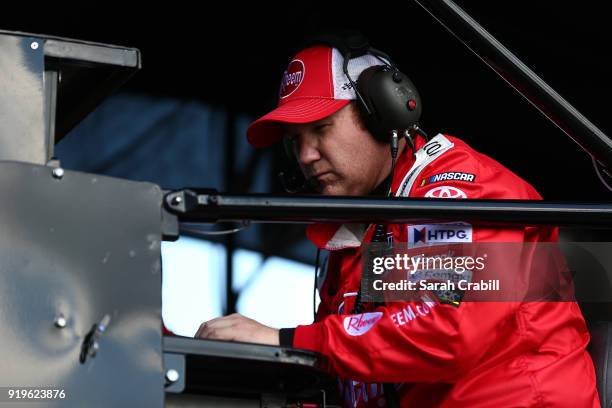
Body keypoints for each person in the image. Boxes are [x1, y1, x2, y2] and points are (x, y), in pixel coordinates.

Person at [195, 35, 599, 407]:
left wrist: (285, 340)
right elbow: (346, 370)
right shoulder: (358, 230)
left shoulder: (458, 191)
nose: (305, 156)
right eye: (294, 141)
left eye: (320, 129)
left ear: (382, 113)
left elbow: (446, 328)